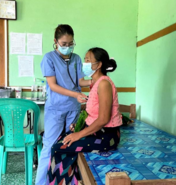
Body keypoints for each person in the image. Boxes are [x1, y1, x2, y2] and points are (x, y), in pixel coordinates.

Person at [47, 47, 122, 184]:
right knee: (62, 138)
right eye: (85, 60)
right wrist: (79, 126)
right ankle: (73, 181)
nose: (84, 63)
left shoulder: (104, 84)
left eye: (88, 60)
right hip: (97, 131)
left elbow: (104, 119)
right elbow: (94, 113)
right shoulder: (95, 83)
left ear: (98, 65)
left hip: (106, 136)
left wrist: (78, 134)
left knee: (58, 148)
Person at [35, 24, 92, 185]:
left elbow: (80, 81)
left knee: (71, 145)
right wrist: (76, 94)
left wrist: (96, 80)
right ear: (56, 41)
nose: (68, 47)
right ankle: (41, 183)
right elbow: (52, 85)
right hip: (56, 109)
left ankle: (67, 181)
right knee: (50, 147)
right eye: (64, 44)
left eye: (70, 44)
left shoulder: (76, 59)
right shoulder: (49, 58)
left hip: (73, 109)